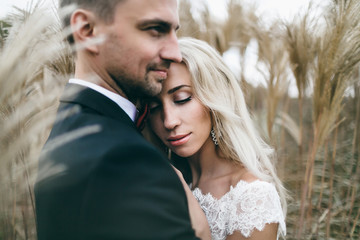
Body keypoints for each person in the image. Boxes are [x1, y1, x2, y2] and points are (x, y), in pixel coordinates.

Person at [34, 1, 210, 239]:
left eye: (174, 32)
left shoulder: (71, 126)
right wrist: (201, 231)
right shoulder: (124, 160)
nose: (174, 53)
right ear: (87, 30)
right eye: (155, 30)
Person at [148, 37, 287, 240]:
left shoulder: (252, 197)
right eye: (154, 107)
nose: (169, 121)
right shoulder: (160, 178)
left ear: (215, 98)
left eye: (182, 98)